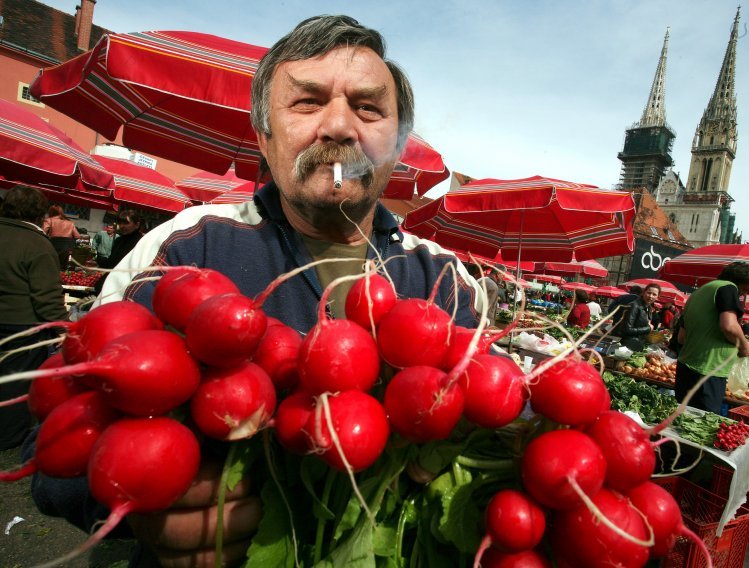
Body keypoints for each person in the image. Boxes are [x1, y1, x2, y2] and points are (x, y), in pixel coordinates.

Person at [27, 15, 481, 568]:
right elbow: (51, 439)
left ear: (398, 142)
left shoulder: (445, 279)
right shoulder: (186, 248)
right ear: (264, 135)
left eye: (368, 108)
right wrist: (136, 505)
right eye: (307, 103)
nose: (339, 127)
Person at [0, 186, 67, 450]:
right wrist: (65, 328)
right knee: (14, 384)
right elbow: (47, 297)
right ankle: (7, 439)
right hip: (20, 327)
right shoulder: (37, 245)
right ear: (41, 214)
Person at [675, 261, 749, 414]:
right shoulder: (728, 288)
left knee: (681, 420)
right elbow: (729, 325)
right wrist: (744, 346)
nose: (743, 294)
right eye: (744, 290)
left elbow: (681, 337)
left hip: (685, 367)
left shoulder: (698, 293)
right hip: (708, 370)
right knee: (702, 425)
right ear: (740, 281)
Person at [613, 283, 660, 351]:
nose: (650, 296)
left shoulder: (648, 307)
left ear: (657, 297)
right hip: (627, 346)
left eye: (654, 294)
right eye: (649, 293)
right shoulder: (634, 305)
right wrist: (648, 328)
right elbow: (627, 329)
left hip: (637, 345)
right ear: (644, 292)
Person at [42, 204, 80, 269]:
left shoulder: (49, 220)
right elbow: (77, 236)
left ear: (50, 212)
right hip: (66, 249)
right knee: (62, 268)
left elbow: (43, 232)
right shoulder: (70, 223)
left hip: (52, 247)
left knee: (50, 267)